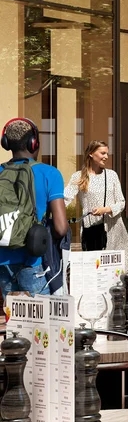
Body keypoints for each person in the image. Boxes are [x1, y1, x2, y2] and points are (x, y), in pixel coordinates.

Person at [0, 119, 69, 299]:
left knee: (15, 322)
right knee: (42, 323)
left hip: (2, 261)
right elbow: (61, 228)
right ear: (34, 143)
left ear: (6, 144)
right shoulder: (50, 173)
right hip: (32, 261)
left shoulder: (0, 172)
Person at [65, 139, 128, 252]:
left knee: (117, 268)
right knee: (94, 266)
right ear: (91, 153)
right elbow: (65, 197)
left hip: (114, 229)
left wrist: (106, 209)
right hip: (92, 230)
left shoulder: (112, 175)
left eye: (107, 153)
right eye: (102, 153)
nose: (106, 156)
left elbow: (121, 202)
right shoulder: (79, 176)